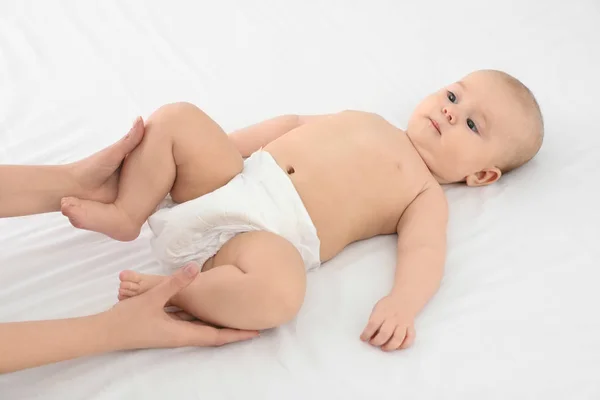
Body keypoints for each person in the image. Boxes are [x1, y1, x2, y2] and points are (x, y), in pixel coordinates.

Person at [58, 69, 542, 352]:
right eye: (453, 96)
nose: (452, 112)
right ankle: (128, 211)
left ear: (482, 176)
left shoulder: (424, 195)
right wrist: (214, 149)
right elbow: (287, 124)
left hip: (255, 242)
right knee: (177, 117)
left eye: (473, 124)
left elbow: (425, 250)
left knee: (283, 292)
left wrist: (403, 303)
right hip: (235, 179)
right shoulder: (366, 118)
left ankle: (181, 292)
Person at [0, 121, 258, 374]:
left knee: (173, 122)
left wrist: (76, 182)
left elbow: (238, 142)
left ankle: (122, 210)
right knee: (177, 118)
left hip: (256, 212)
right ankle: (128, 219)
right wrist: (113, 329)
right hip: (244, 238)